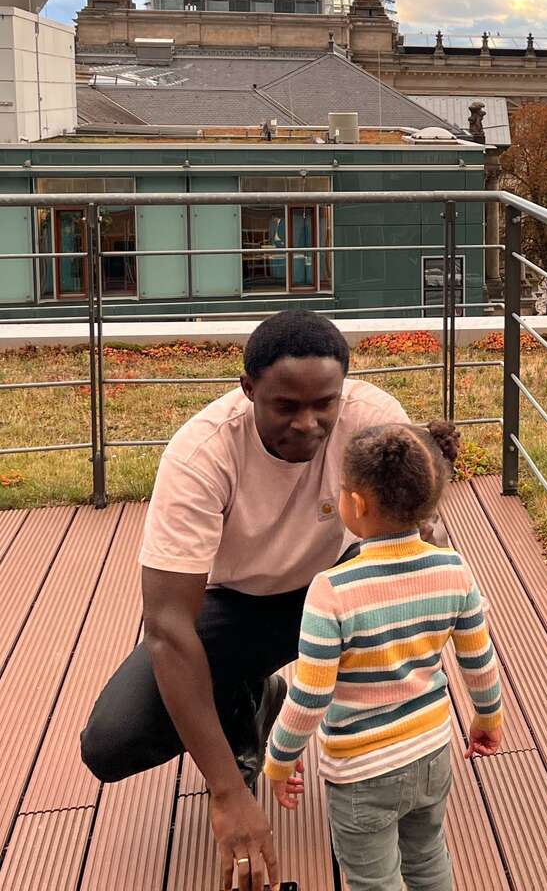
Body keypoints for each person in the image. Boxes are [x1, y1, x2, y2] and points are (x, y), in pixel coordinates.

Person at [80, 311, 415, 891]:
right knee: (112, 743)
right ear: (248, 389)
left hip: (339, 584)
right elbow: (165, 626)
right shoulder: (201, 454)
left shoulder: (374, 421)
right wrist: (228, 793)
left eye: (324, 404)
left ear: (344, 391)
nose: (308, 424)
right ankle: (257, 697)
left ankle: (372, 760)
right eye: (285, 406)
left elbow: (415, 546)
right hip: (238, 602)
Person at [267, 423, 501, 891]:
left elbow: (311, 695)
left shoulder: (332, 590)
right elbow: (479, 660)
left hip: (361, 772)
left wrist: (279, 756)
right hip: (432, 752)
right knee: (429, 856)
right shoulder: (453, 568)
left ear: (356, 504)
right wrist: (487, 719)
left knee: (374, 881)